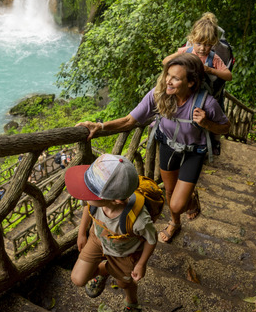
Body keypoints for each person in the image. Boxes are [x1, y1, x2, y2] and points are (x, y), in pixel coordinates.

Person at [76, 53, 230, 243]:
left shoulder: (207, 103)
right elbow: (129, 121)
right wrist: (99, 126)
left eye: (176, 78)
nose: (168, 81)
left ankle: (190, 199)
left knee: (177, 203)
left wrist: (206, 123)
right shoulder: (158, 95)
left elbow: (225, 127)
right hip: (167, 144)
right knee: (170, 192)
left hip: (193, 151)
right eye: (168, 75)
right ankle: (175, 223)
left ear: (190, 82)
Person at [66, 154, 157, 312]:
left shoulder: (138, 220)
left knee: (124, 283)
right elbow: (88, 206)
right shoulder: (96, 203)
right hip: (97, 239)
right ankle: (107, 269)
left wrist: (141, 264)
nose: (84, 194)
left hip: (124, 253)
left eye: (89, 191)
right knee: (78, 279)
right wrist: (82, 232)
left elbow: (151, 239)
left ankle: (132, 303)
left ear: (116, 200)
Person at [163, 12, 232, 157]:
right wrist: (180, 60)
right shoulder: (186, 51)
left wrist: (210, 69)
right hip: (185, 92)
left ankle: (213, 143)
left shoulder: (213, 58)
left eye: (207, 45)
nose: (202, 49)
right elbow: (165, 61)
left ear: (213, 44)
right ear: (192, 40)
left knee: (215, 113)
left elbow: (228, 75)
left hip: (204, 96)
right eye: (199, 43)